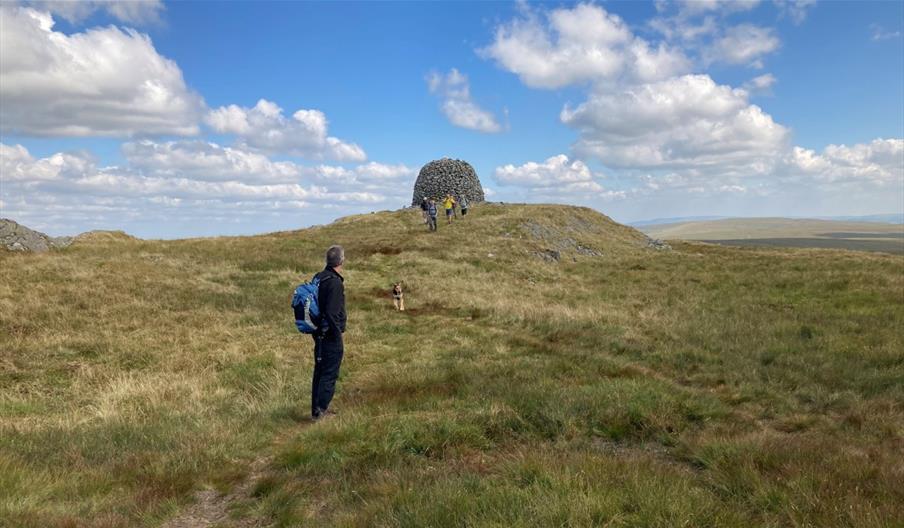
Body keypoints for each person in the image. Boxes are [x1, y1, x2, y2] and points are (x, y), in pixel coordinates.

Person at [311, 245, 347, 420]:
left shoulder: (318, 277)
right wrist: (337, 333)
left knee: (320, 370)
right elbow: (332, 313)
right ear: (341, 261)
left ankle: (316, 409)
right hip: (329, 334)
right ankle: (321, 411)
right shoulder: (335, 282)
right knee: (329, 372)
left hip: (318, 333)